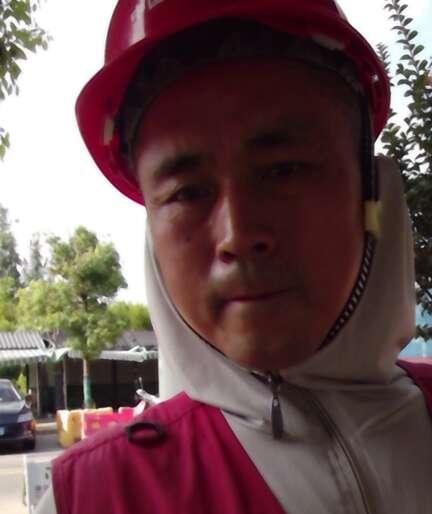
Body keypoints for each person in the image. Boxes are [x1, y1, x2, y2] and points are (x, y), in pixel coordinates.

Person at [36, 1, 432, 513]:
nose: (238, 234)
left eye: (284, 170)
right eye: (187, 193)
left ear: (372, 193)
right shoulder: (94, 498)